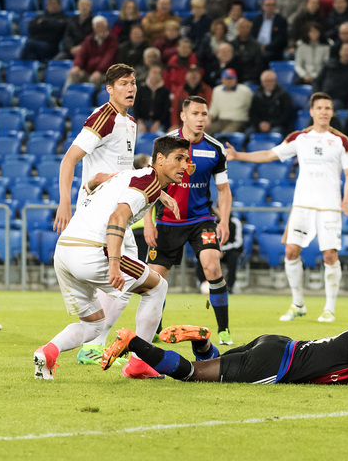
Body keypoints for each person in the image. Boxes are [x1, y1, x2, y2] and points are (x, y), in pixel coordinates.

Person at [33, 136, 190, 381]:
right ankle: (139, 364)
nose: (184, 166)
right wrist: (115, 264)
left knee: (93, 325)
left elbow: (95, 180)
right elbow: (118, 218)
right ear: (159, 159)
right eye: (179, 158)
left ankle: (48, 352)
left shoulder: (129, 176)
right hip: (94, 250)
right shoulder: (147, 183)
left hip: (64, 250)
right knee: (158, 286)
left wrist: (161, 194)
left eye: (187, 160)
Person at [226, 93, 348, 323]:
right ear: (312, 111)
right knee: (290, 252)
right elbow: (269, 154)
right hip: (302, 205)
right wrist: (238, 155)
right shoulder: (300, 138)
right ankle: (298, 304)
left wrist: (346, 200)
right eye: (320, 107)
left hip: (329, 207)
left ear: (332, 112)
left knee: (329, 255)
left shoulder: (341, 141)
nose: (324, 111)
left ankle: (329, 308)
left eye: (328, 107)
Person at [98, 312, 348, 387]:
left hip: (277, 343)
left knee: (212, 363)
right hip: (276, 363)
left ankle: (202, 340)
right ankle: (133, 341)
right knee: (193, 376)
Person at [52, 64, 139, 362]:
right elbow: (69, 159)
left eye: (134, 83)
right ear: (110, 88)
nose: (131, 88)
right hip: (100, 213)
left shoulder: (131, 123)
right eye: (124, 83)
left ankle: (96, 343)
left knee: (129, 278)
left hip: (119, 211)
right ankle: (97, 343)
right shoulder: (105, 118)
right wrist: (64, 202)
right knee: (134, 277)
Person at [145, 96, 234, 344]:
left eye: (204, 114)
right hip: (166, 221)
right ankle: (155, 330)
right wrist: (149, 222)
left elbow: (224, 190)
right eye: (195, 114)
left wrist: (224, 221)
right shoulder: (164, 144)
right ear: (183, 116)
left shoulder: (215, 148)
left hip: (200, 219)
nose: (201, 119)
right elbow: (149, 185)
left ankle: (224, 330)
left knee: (213, 266)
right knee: (156, 279)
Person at [69, 16, 118, 86]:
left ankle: (90, 97)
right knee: (74, 74)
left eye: (102, 26)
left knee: (94, 79)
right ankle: (65, 95)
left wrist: (99, 71)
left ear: (106, 26)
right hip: (88, 71)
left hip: (105, 72)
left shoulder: (113, 39)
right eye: (98, 27)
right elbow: (81, 54)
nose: (101, 29)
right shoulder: (89, 39)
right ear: (94, 28)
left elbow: (108, 57)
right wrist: (77, 66)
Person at [207, 70, 253, 134]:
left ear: (236, 79)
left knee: (225, 135)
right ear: (222, 80)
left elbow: (251, 107)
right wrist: (208, 120)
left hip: (238, 121)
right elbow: (214, 110)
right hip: (221, 121)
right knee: (203, 131)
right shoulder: (217, 90)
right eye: (227, 78)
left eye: (231, 78)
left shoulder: (245, 91)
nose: (229, 81)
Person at [136, 65, 172, 134]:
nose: (156, 75)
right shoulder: (141, 89)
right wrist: (140, 123)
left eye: (159, 73)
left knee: (159, 140)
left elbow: (166, 111)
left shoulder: (165, 91)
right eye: (154, 72)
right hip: (142, 121)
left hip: (158, 123)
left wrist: (158, 123)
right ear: (149, 73)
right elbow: (135, 107)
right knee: (138, 136)